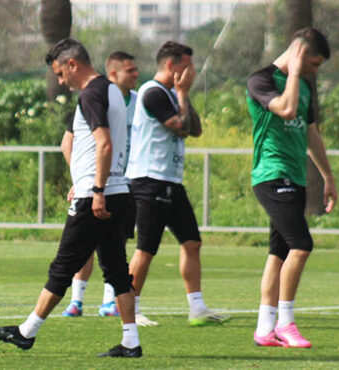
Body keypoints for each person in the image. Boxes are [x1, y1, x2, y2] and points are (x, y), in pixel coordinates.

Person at [0, 39, 142, 358]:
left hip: (96, 196)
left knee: (63, 266)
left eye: (60, 73)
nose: (61, 81)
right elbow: (79, 144)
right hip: (118, 192)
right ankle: (131, 342)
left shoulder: (91, 94)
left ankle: (26, 332)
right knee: (115, 268)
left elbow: (105, 145)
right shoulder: (112, 90)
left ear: (73, 65)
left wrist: (95, 189)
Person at [125, 41, 229, 327]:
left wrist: (183, 94)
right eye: (187, 67)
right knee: (146, 249)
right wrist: (181, 93)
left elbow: (194, 129)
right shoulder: (152, 92)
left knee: (192, 242)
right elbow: (180, 128)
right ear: (171, 66)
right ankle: (129, 309)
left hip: (170, 180)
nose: (192, 72)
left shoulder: (172, 94)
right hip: (150, 181)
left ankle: (197, 308)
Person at [245, 28, 337, 348]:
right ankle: (286, 322)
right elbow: (285, 109)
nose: (314, 71)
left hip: (296, 178)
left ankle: (264, 328)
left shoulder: (306, 87)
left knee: (279, 252)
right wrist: (296, 74)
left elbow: (312, 135)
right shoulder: (261, 80)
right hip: (272, 175)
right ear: (298, 52)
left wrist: (327, 177)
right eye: (312, 63)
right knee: (301, 244)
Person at [61, 51, 139, 318]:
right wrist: (84, 180)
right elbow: (68, 142)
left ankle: (109, 304)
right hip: (99, 186)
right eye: (130, 70)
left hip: (122, 184)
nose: (136, 75)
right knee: (83, 250)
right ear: (113, 74)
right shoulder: (94, 97)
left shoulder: (138, 102)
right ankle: (76, 300)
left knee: (114, 253)